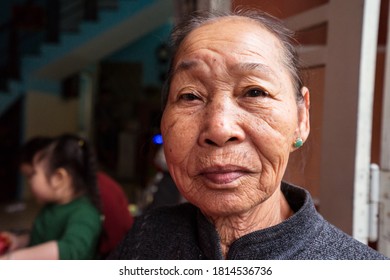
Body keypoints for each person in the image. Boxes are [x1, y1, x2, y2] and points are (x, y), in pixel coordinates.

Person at [110, 9, 388, 260]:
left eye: (255, 92)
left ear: (301, 119)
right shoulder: (145, 238)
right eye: (191, 96)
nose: (219, 129)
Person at [0, 134, 102, 259]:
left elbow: (71, 250)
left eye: (32, 175)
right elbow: (40, 239)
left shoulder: (85, 214)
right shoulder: (52, 208)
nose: (29, 182)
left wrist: (13, 259)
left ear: (58, 178)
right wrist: (18, 241)